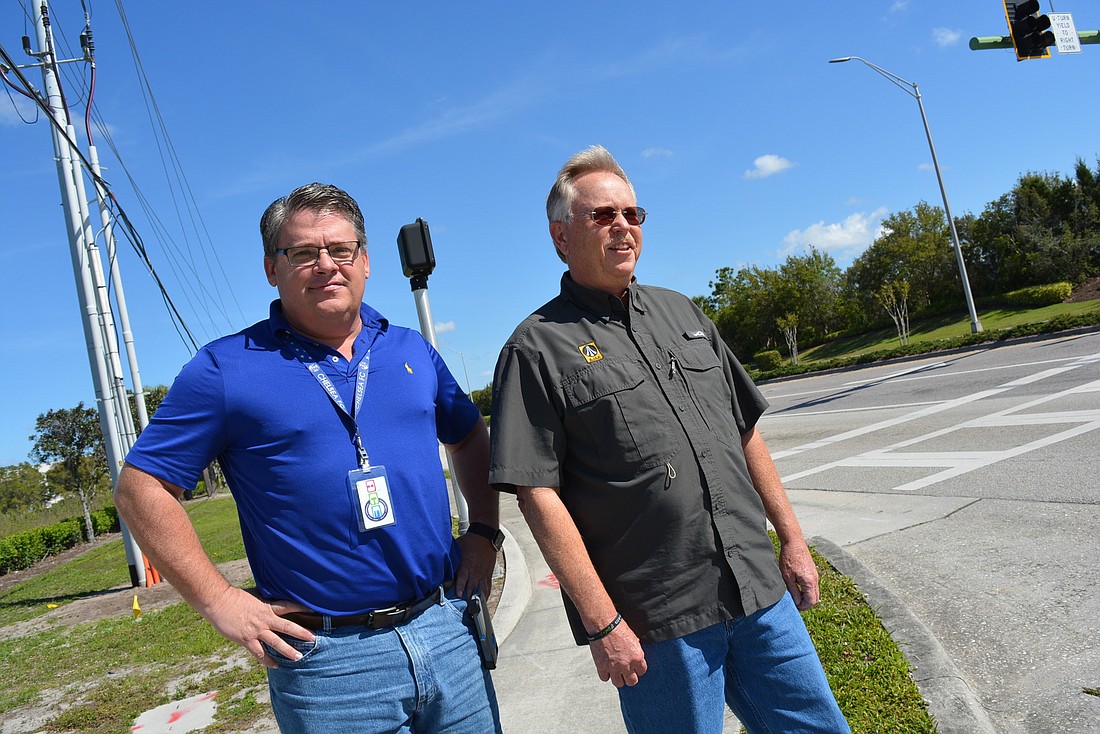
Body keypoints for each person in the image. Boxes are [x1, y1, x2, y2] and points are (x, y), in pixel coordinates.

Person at [116, 183, 503, 734]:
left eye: (340, 250)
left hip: (445, 629)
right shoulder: (225, 369)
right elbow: (140, 488)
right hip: (328, 665)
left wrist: (484, 533)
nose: (326, 265)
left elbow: (468, 438)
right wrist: (220, 602)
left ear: (365, 261)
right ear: (272, 269)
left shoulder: (411, 349)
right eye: (302, 253)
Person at [488, 146, 849, 733]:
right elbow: (537, 496)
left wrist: (793, 540)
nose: (623, 227)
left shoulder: (682, 312)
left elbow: (745, 431)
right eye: (602, 215)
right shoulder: (535, 348)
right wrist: (603, 623)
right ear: (560, 236)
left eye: (633, 214)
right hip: (659, 617)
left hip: (756, 588)